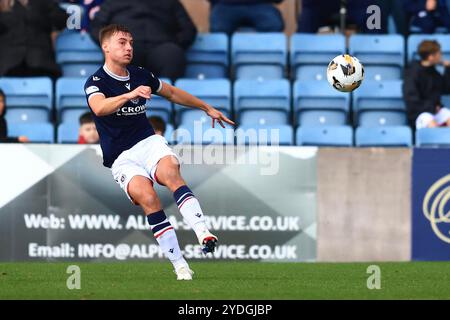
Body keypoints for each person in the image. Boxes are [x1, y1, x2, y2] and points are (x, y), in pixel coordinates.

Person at [84, 24, 234, 280]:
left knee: (170, 172)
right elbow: (99, 108)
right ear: (105, 47)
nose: (129, 47)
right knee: (148, 198)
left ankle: (203, 232)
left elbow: (172, 92)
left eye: (131, 43)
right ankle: (180, 265)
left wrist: (205, 107)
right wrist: (130, 95)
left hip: (148, 142)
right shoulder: (96, 82)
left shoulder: (141, 75)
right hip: (121, 157)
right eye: (122, 42)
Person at [90, 0, 197, 80]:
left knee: (173, 54)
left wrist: (174, 42)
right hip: (126, 45)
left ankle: (168, 105)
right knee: (117, 53)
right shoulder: (113, 2)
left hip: (162, 46)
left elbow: (189, 30)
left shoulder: (171, 2)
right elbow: (96, 27)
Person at [0, 0, 68, 78]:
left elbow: (63, 20)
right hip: (8, 65)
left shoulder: (42, 3)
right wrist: (4, 11)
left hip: (42, 63)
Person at [403, 40, 450, 129]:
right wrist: (432, 107)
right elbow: (412, 101)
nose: (441, 56)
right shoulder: (413, 73)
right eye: (439, 54)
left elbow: (446, 89)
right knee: (431, 124)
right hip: (419, 113)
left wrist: (448, 69)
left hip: (435, 110)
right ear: (431, 57)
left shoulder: (434, 72)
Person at [209, 0, 285, 35]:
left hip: (261, 4)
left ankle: (267, 62)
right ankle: (223, 63)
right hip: (226, 5)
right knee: (219, 30)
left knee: (273, 24)